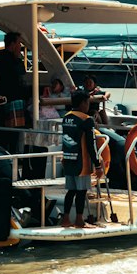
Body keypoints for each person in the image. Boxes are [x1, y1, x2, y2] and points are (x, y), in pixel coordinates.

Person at [59, 90, 97, 227]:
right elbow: (91, 144)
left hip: (68, 158)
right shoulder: (87, 120)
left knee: (71, 191)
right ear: (82, 103)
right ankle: (80, 220)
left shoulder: (66, 117)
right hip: (82, 161)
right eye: (87, 102)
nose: (88, 106)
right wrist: (97, 164)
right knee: (81, 191)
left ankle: (65, 219)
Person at [0, 34, 31, 147]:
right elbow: (19, 76)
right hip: (13, 100)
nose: (20, 47)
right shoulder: (13, 62)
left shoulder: (0, 61)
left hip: (5, 100)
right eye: (19, 43)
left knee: (4, 134)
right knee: (13, 135)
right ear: (12, 44)